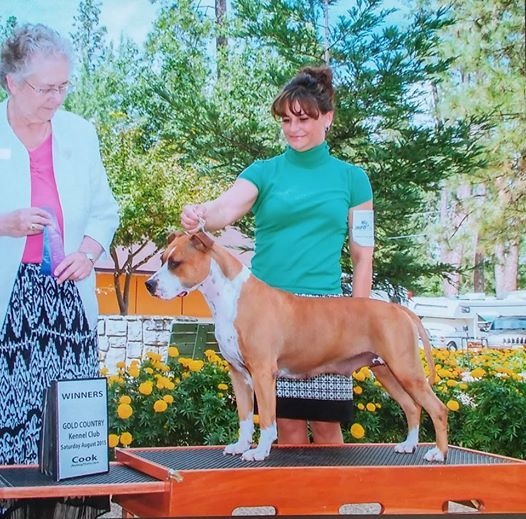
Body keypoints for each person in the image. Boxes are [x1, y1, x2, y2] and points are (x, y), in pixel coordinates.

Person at [181, 66, 374, 445]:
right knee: (286, 430)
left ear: (328, 118)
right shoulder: (264, 172)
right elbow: (224, 209)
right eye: (286, 120)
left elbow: (362, 255)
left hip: (326, 317)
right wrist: (201, 213)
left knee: (328, 428)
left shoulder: (354, 179)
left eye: (303, 119)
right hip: (268, 314)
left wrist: (359, 320)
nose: (293, 128)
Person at [0, 24, 119, 517]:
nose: (56, 98)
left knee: (70, 426)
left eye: (63, 86)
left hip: (67, 299)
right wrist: (3, 224)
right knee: (11, 420)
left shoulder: (80, 133)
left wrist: (88, 254)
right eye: (45, 88)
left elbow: (105, 211)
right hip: (10, 302)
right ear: (12, 82)